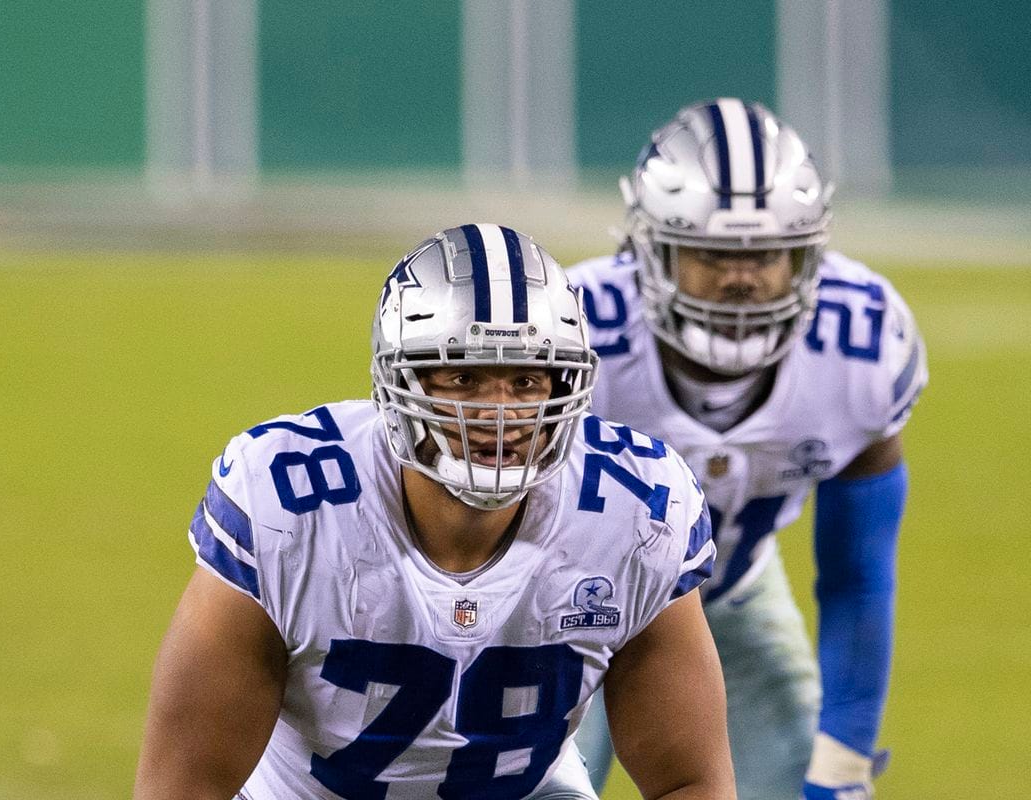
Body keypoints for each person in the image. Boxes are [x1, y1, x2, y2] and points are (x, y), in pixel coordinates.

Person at [134, 223, 736, 799]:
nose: (498, 412)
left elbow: (691, 782)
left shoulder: (637, 509)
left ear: (566, 387)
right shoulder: (289, 504)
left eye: (527, 381)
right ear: (402, 384)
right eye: (464, 377)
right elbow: (183, 784)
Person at [568, 98, 928, 800]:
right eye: (713, 254)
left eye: (767, 253)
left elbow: (859, 573)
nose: (744, 277)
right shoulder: (574, 335)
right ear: (652, 252)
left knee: (812, 785)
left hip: (730, 593)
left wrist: (846, 753)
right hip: (565, 613)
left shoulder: (860, 342)